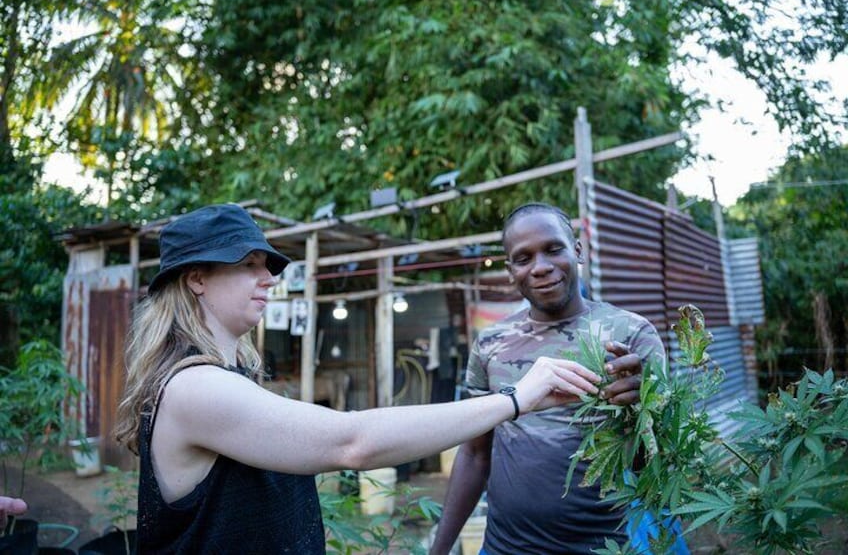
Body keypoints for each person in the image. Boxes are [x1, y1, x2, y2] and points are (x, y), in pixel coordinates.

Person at [114, 203, 603, 554]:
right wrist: (516, 399)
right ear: (197, 278)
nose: (269, 279)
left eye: (267, 266)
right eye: (248, 266)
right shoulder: (195, 388)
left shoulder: (227, 376)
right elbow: (353, 443)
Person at [430, 202, 668, 555]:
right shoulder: (491, 344)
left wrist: (639, 414)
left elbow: (658, 463)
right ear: (510, 270)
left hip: (609, 546)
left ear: (576, 251)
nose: (541, 267)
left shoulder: (631, 336)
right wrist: (440, 548)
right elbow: (476, 454)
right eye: (523, 258)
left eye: (553, 249)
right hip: (505, 547)